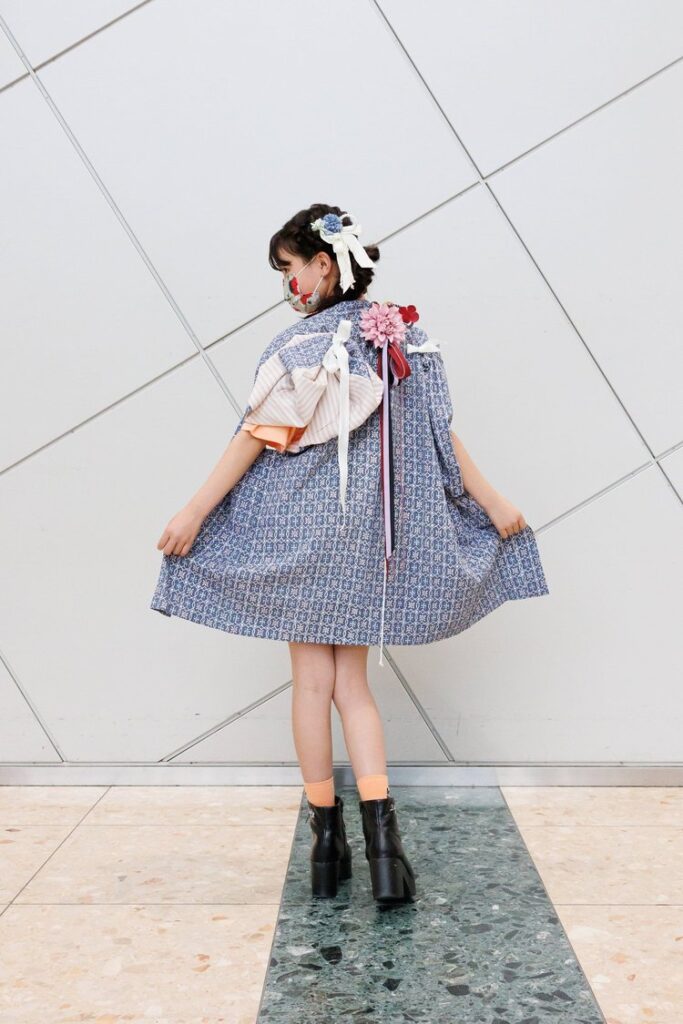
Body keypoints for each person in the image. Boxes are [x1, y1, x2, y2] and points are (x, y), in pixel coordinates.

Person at [150, 204, 550, 903]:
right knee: (353, 687)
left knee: (311, 685)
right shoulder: (403, 336)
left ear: (323, 264)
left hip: (302, 531)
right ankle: (385, 853)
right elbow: (440, 433)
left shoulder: (301, 344)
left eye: (289, 268)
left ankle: (325, 846)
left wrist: (194, 512)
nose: (288, 284)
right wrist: (490, 501)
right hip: (368, 539)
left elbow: (257, 434)